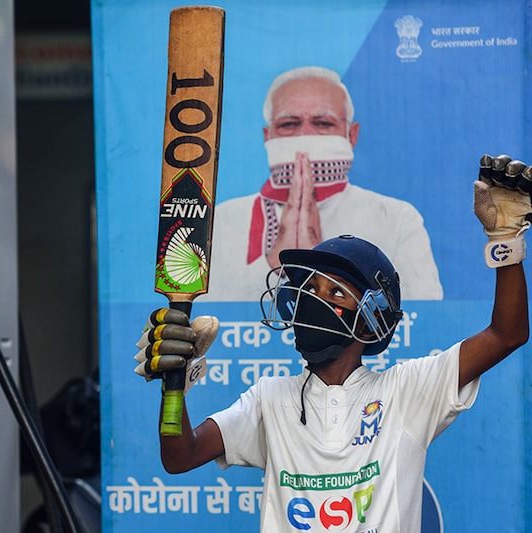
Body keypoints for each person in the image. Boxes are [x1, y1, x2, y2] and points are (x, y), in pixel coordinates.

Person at [133, 156, 530, 531]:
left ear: (372, 318)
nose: (316, 301)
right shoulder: (270, 399)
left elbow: (506, 334)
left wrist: (505, 240)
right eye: (309, 289)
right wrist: (174, 389)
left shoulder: (406, 392)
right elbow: (180, 456)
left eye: (336, 293)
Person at [207, 66, 443, 301]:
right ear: (268, 136)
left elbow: (419, 316)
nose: (305, 136)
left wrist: (322, 273)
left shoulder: (396, 219)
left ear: (351, 135)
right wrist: (277, 267)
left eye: (323, 124)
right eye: (289, 124)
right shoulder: (222, 221)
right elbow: (210, 316)